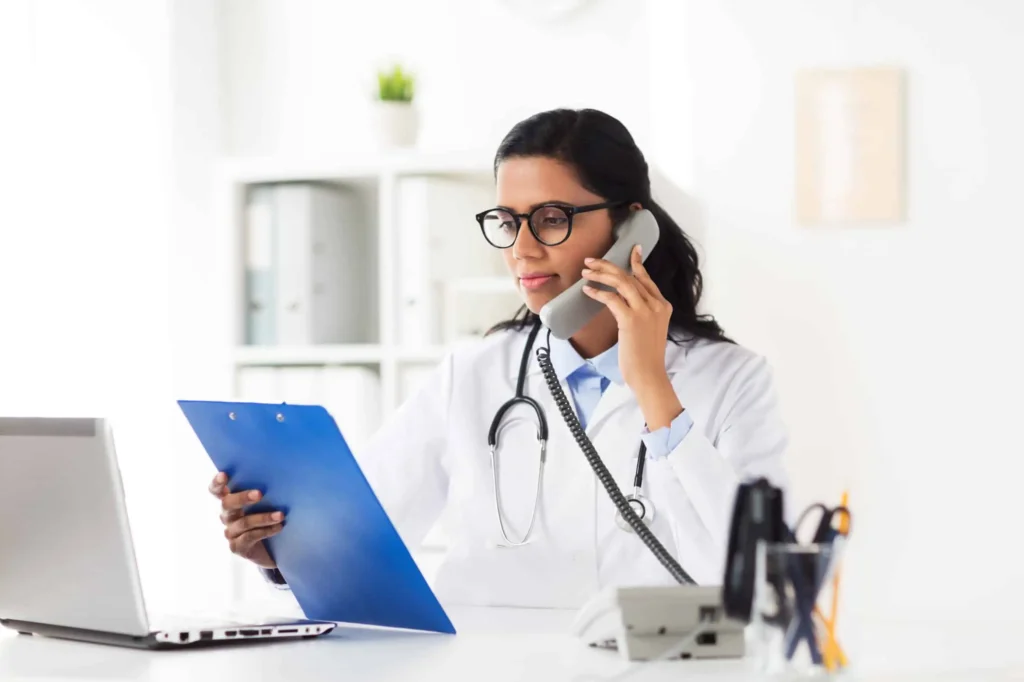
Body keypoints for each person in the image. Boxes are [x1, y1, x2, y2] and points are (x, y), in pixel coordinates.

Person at [208, 108, 789, 609]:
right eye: (508, 222)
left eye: (552, 218)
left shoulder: (733, 382)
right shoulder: (472, 375)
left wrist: (653, 388)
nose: (522, 249)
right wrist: (280, 556)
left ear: (631, 224)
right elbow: (359, 547)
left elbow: (765, 579)